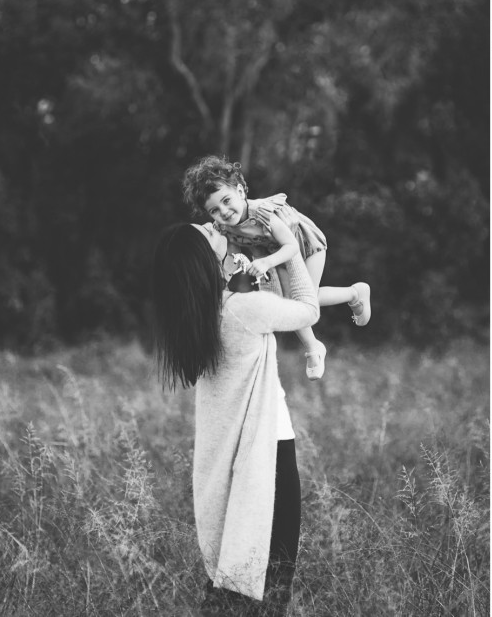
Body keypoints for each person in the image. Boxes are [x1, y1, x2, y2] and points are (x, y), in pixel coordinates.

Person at [151, 218, 318, 615]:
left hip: (229, 458)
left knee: (233, 580)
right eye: (209, 233)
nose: (216, 227)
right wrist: (288, 246)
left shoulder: (202, 318)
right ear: (203, 259)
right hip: (268, 449)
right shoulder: (242, 309)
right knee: (274, 579)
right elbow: (308, 310)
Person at [182, 155, 371, 382]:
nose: (223, 211)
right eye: (213, 210)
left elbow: (290, 245)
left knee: (302, 301)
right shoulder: (222, 227)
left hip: (305, 246)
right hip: (277, 254)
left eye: (226, 200)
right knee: (290, 300)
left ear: (241, 191)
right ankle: (344, 306)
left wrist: (266, 262)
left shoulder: (262, 213)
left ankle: (326, 332)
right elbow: (209, 240)